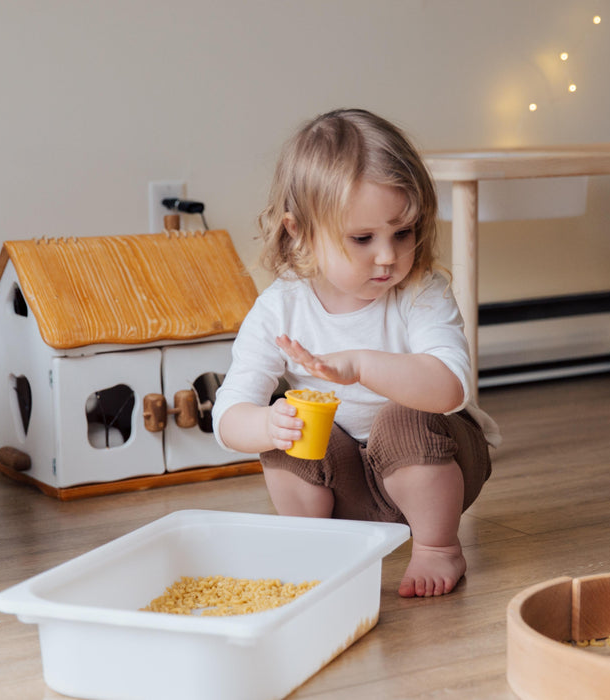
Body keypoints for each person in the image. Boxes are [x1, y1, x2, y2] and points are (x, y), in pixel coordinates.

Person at [213, 108, 501, 597]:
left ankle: (437, 549)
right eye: (363, 238)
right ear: (300, 231)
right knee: (292, 428)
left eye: (403, 233)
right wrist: (266, 425)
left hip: (435, 467)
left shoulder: (420, 293)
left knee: (401, 418)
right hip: (344, 485)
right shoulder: (280, 307)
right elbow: (228, 413)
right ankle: (318, 545)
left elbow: (449, 388)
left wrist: (361, 365)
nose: (388, 256)